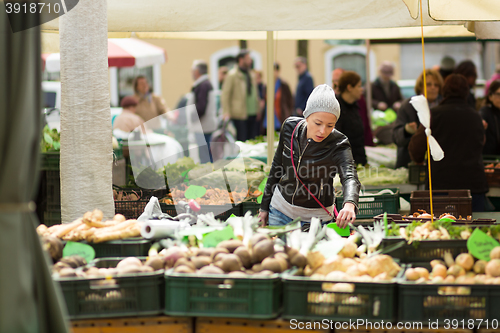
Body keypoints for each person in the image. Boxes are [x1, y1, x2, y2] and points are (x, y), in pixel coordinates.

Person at [258, 84, 361, 228]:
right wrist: (264, 207)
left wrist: (350, 204)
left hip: (317, 219)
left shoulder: (339, 143)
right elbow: (277, 166)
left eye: (330, 125)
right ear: (306, 116)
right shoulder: (289, 127)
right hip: (280, 211)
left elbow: (349, 176)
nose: (322, 131)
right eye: (318, 123)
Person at [408, 74, 488, 212]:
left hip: (441, 189)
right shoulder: (475, 116)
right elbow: (480, 143)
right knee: (475, 230)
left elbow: (416, 150)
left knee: (443, 232)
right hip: (473, 188)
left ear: (444, 91)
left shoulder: (433, 115)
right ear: (466, 92)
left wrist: (419, 159)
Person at [392, 69, 444, 169]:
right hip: (410, 165)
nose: (433, 88)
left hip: (437, 164)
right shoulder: (408, 106)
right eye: (428, 84)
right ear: (420, 86)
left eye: (436, 85)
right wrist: (406, 131)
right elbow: (396, 137)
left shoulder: (443, 107)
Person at [221, 49, 259, 142]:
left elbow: (255, 93)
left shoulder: (251, 74)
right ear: (241, 59)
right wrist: (226, 112)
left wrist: (258, 108)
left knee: (252, 140)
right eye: (248, 58)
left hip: (252, 113)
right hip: (239, 114)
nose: (250, 61)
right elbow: (225, 95)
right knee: (242, 141)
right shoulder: (232, 75)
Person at [186, 60, 217, 163]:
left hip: (203, 126)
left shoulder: (202, 85)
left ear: (197, 71)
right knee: (206, 152)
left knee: (205, 155)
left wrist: (192, 118)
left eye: (192, 70)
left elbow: (201, 107)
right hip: (205, 125)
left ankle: (208, 175)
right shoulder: (205, 84)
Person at [335, 71, 367, 166]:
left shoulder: (355, 107)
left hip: (359, 160)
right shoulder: (336, 108)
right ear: (349, 88)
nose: (361, 89)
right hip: (344, 164)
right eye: (359, 86)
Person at [263, 62, 294, 132]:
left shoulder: (283, 85)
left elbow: (290, 100)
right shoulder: (266, 85)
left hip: (280, 115)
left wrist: (288, 113)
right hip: (268, 116)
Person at [480, 80, 500, 155]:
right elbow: (481, 118)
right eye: (498, 94)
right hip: (489, 158)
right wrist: (481, 122)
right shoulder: (486, 111)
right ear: (490, 97)